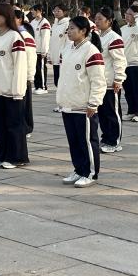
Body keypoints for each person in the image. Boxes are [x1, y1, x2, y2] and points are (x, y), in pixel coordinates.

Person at [57, 16, 107, 187]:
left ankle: (91, 172)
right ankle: (79, 169)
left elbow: (98, 81)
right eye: (68, 28)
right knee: (74, 141)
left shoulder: (91, 51)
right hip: (68, 103)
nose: (68, 31)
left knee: (87, 140)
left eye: (72, 28)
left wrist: (94, 102)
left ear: (83, 31)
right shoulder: (67, 49)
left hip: (84, 105)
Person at [0, 4, 29, 168]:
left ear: (6, 16)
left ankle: (17, 157)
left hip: (11, 90)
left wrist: (17, 90)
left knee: (14, 125)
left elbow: (19, 66)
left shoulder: (15, 37)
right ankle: (2, 154)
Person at [93, 8, 127, 152]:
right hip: (100, 82)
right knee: (102, 114)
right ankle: (106, 138)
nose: (97, 21)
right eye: (96, 19)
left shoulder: (114, 38)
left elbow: (119, 60)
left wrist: (119, 79)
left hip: (110, 82)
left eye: (100, 19)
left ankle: (114, 142)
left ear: (110, 21)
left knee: (112, 113)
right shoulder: (97, 36)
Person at [15, 9, 37, 136]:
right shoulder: (10, 34)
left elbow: (30, 58)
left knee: (25, 104)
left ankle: (27, 127)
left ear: (19, 20)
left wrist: (29, 76)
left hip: (24, 76)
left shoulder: (25, 36)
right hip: (12, 76)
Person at [30, 5, 52, 93]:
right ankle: (37, 86)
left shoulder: (44, 23)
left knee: (41, 69)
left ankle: (43, 87)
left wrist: (44, 50)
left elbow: (45, 38)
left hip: (40, 50)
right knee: (35, 69)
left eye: (33, 11)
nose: (32, 12)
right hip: (34, 50)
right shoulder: (33, 22)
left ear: (39, 11)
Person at [50, 4, 70, 94]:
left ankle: (66, 105)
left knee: (64, 82)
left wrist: (65, 55)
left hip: (63, 58)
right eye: (55, 11)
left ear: (64, 12)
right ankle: (60, 105)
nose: (56, 13)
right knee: (57, 81)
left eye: (59, 11)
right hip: (55, 57)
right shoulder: (55, 24)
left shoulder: (68, 24)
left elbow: (69, 42)